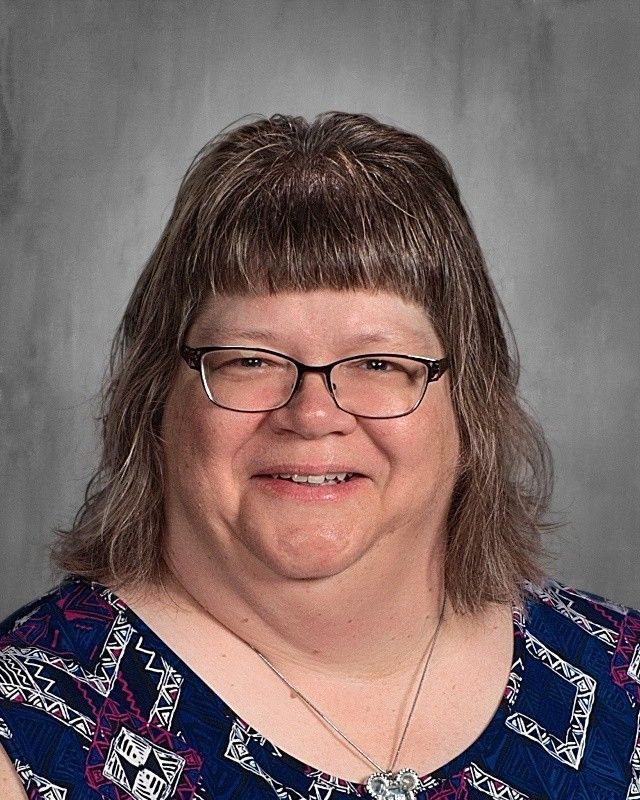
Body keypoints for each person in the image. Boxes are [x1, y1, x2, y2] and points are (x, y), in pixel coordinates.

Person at [0, 112, 638, 800]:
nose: (312, 415)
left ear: (470, 401)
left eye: (377, 362)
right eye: (250, 359)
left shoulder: (622, 687)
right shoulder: (28, 728)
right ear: (157, 395)